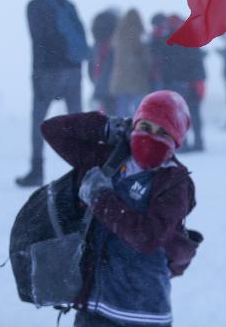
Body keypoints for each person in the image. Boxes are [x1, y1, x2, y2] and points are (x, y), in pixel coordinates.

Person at [41, 90, 200, 326]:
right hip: (94, 307)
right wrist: (104, 127)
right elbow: (53, 130)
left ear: (175, 139)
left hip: (143, 312)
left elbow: (148, 237)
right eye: (145, 126)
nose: (151, 136)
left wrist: (100, 198)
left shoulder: (174, 181)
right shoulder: (110, 158)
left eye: (162, 132)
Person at [16, 0, 87, 187]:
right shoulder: (66, 4)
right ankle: (86, 169)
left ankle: (37, 170)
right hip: (74, 69)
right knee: (77, 122)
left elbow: (39, 40)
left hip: (49, 71)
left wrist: (37, 77)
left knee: (38, 121)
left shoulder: (35, 5)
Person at [160, 15, 207, 152]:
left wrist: (166, 82)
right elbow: (198, 61)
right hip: (191, 82)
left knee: (179, 115)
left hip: (176, 83)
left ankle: (184, 143)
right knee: (194, 113)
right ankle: (198, 142)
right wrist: (199, 80)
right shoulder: (191, 37)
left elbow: (165, 64)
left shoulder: (167, 40)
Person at [109, 9, 151, 116]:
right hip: (138, 78)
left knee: (122, 110)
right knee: (140, 110)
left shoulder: (118, 35)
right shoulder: (140, 35)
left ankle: (123, 130)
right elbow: (147, 58)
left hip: (119, 78)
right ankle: (138, 130)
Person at [89, 10, 119, 113]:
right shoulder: (115, 47)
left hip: (99, 88)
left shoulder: (95, 46)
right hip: (112, 90)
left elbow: (91, 69)